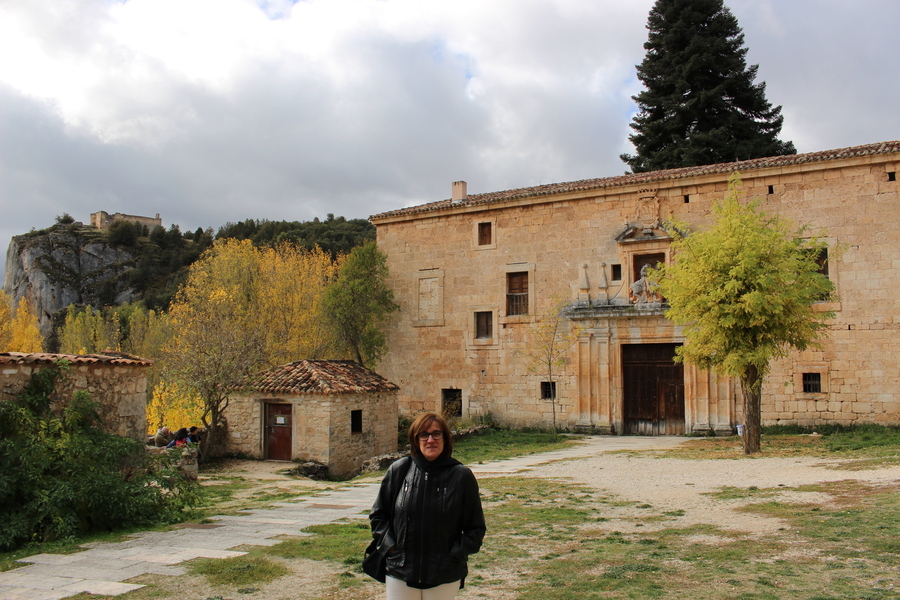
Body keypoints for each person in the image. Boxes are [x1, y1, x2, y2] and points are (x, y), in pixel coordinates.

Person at [368, 413, 486, 600]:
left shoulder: (461, 477)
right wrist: (391, 547)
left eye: (436, 434)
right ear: (416, 440)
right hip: (400, 570)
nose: (430, 440)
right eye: (424, 435)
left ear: (445, 439)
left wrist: (454, 554)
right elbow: (378, 516)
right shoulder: (399, 470)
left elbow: (475, 528)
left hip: (443, 573)